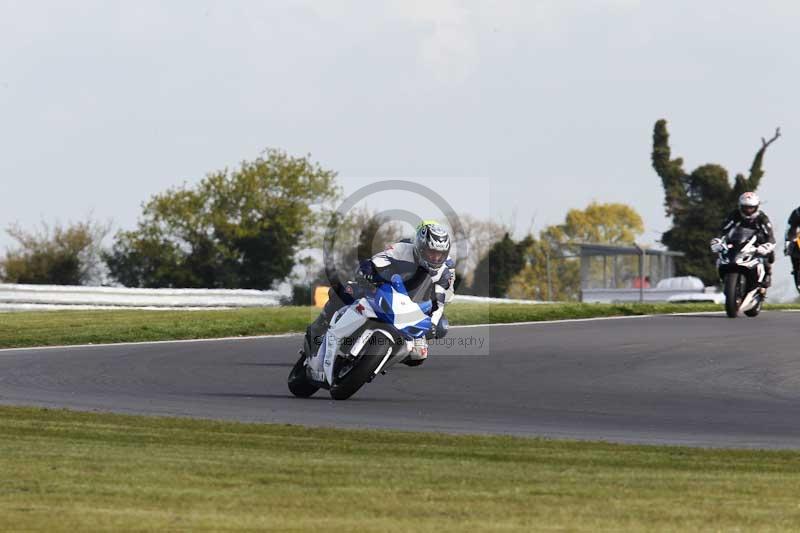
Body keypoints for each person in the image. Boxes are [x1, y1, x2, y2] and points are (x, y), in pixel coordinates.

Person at [302, 220, 455, 366]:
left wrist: (433, 325)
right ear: (420, 247)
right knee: (345, 291)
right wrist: (369, 270)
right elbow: (376, 261)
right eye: (431, 252)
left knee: (420, 353)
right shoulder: (402, 249)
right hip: (385, 288)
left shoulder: (446, 270)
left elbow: (440, 301)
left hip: (415, 305)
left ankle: (384, 355)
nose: (435, 257)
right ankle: (318, 328)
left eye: (439, 254)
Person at [710, 192, 776, 287]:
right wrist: (717, 240)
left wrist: (767, 245)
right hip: (737, 242)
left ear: (756, 207)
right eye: (745, 207)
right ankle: (723, 278)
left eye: (751, 207)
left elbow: (770, 235)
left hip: (757, 243)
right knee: (721, 255)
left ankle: (766, 277)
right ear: (740, 206)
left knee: (767, 256)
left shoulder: (762, 218)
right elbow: (723, 229)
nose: (748, 210)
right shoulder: (734, 215)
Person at [784, 206, 800, 276]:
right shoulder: (797, 212)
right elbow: (790, 228)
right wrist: (788, 242)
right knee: (793, 249)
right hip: (797, 242)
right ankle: (797, 271)